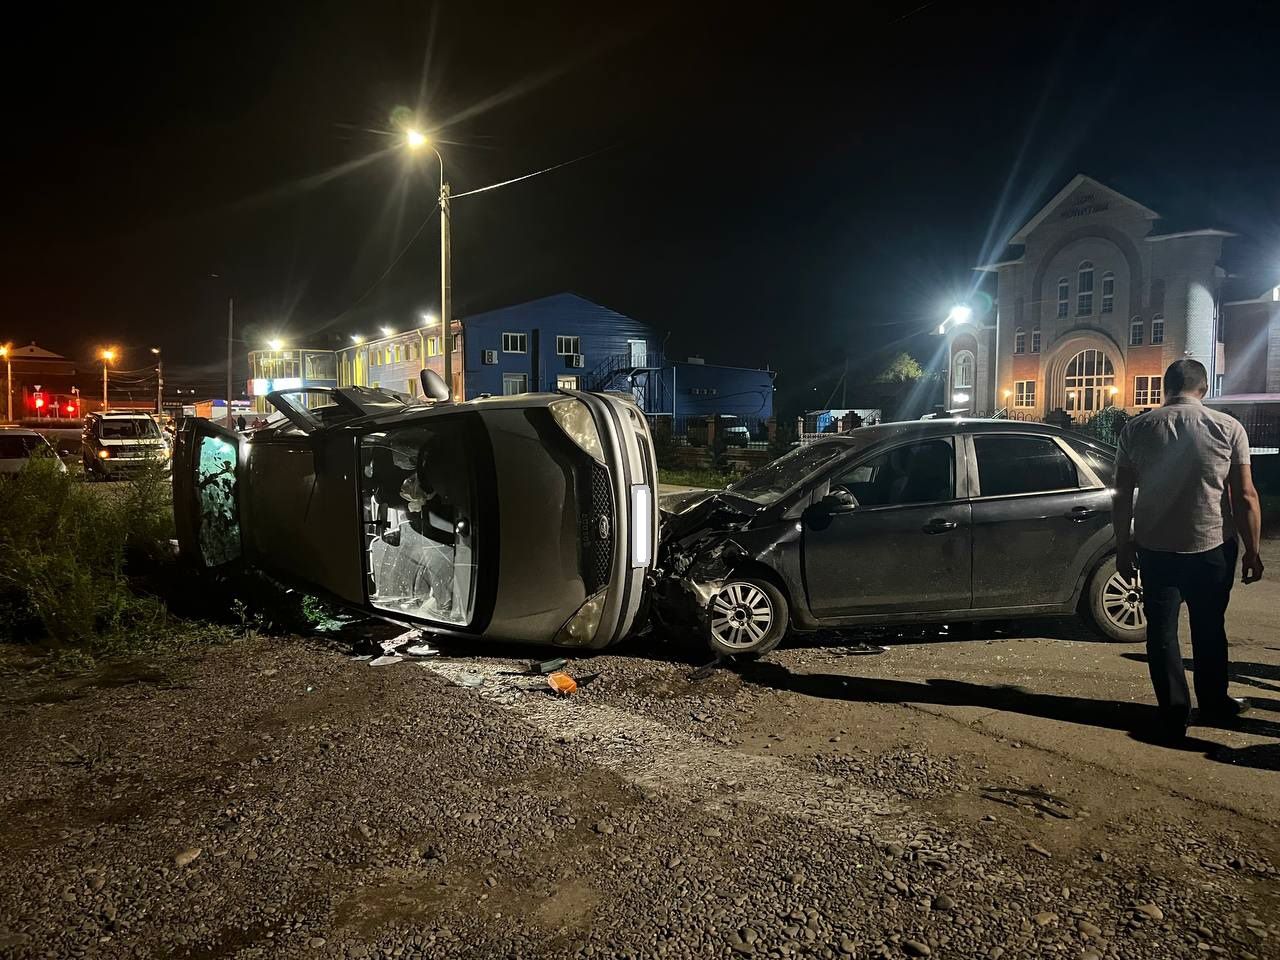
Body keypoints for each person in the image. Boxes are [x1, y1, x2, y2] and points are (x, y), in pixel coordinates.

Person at [1112, 358, 1264, 742]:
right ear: (1204, 388)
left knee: (1161, 633)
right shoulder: (1228, 428)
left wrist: (1122, 545)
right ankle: (1215, 703)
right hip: (1211, 545)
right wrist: (1252, 550)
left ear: (1165, 387)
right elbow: (1244, 495)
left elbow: (1121, 496)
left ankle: (1174, 712)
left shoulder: (1136, 429)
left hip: (1155, 547)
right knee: (1210, 628)